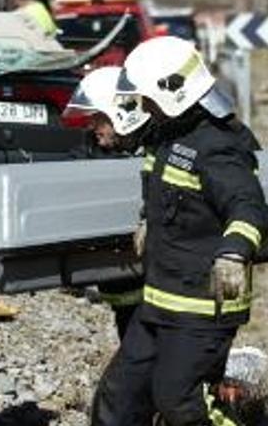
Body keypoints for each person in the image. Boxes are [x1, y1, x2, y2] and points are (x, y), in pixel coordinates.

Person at [91, 36, 268, 426]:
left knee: (179, 402)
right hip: (161, 297)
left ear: (171, 91)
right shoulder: (166, 135)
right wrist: (146, 220)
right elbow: (164, 193)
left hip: (202, 305)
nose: (142, 106)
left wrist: (234, 252)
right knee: (119, 398)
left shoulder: (219, 146)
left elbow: (249, 207)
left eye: (146, 97)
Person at [64, 66, 152, 339]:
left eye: (98, 119)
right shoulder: (87, 152)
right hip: (120, 283)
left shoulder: (161, 148)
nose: (92, 127)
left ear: (123, 113)